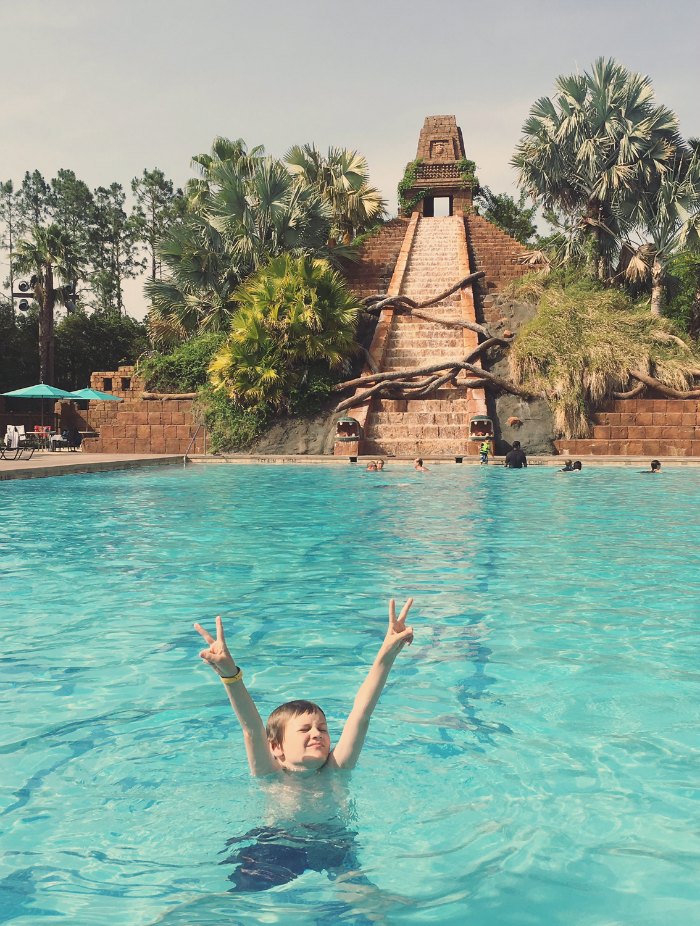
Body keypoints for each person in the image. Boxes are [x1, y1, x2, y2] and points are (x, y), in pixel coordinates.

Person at [194, 598, 415, 778]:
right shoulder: (268, 773)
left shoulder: (337, 768)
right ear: (276, 747)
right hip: (272, 834)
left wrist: (386, 656)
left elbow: (361, 714)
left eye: (323, 729)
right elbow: (252, 728)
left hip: (334, 835)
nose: (317, 734)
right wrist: (230, 675)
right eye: (304, 729)